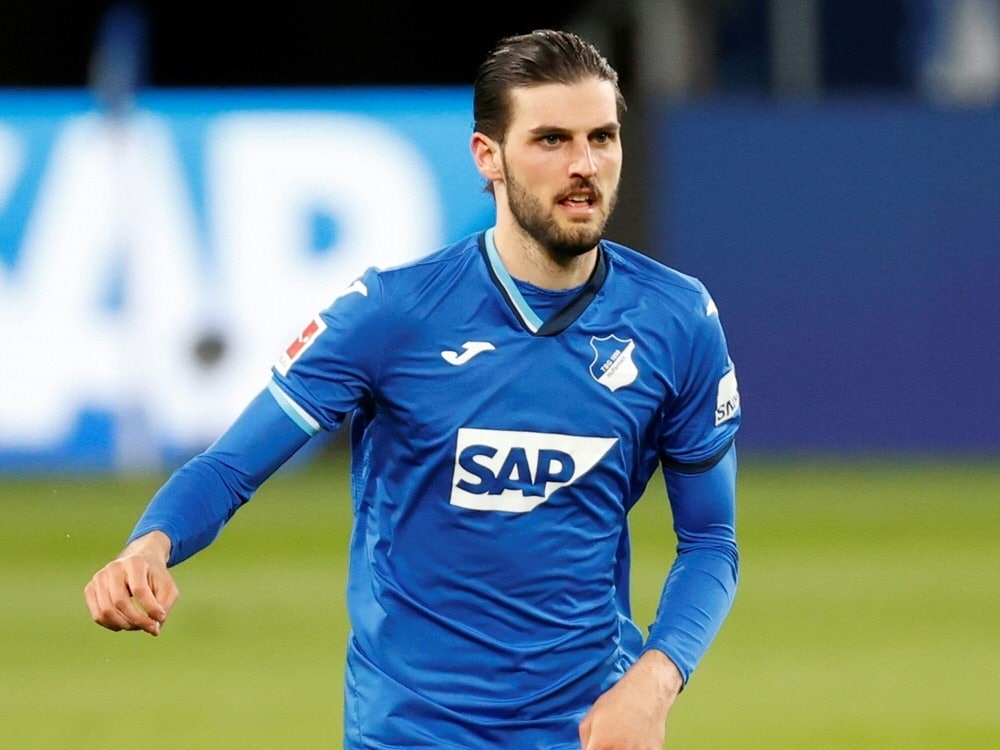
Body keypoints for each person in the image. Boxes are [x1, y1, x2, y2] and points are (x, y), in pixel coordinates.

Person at [85, 28, 741, 749]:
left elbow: (710, 541)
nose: (584, 165)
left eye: (602, 138)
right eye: (551, 140)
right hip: (410, 732)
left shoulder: (676, 320)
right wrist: (148, 547)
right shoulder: (392, 313)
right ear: (487, 156)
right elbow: (228, 468)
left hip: (583, 730)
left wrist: (654, 680)